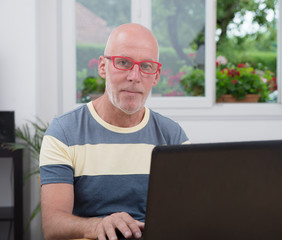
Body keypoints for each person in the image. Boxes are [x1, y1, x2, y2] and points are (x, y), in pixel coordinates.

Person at [39, 23, 189, 240]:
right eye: (123, 62)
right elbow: (52, 225)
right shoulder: (63, 133)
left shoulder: (173, 136)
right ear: (103, 67)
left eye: (146, 66)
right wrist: (99, 225)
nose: (134, 76)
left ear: (156, 76)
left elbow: (186, 213)